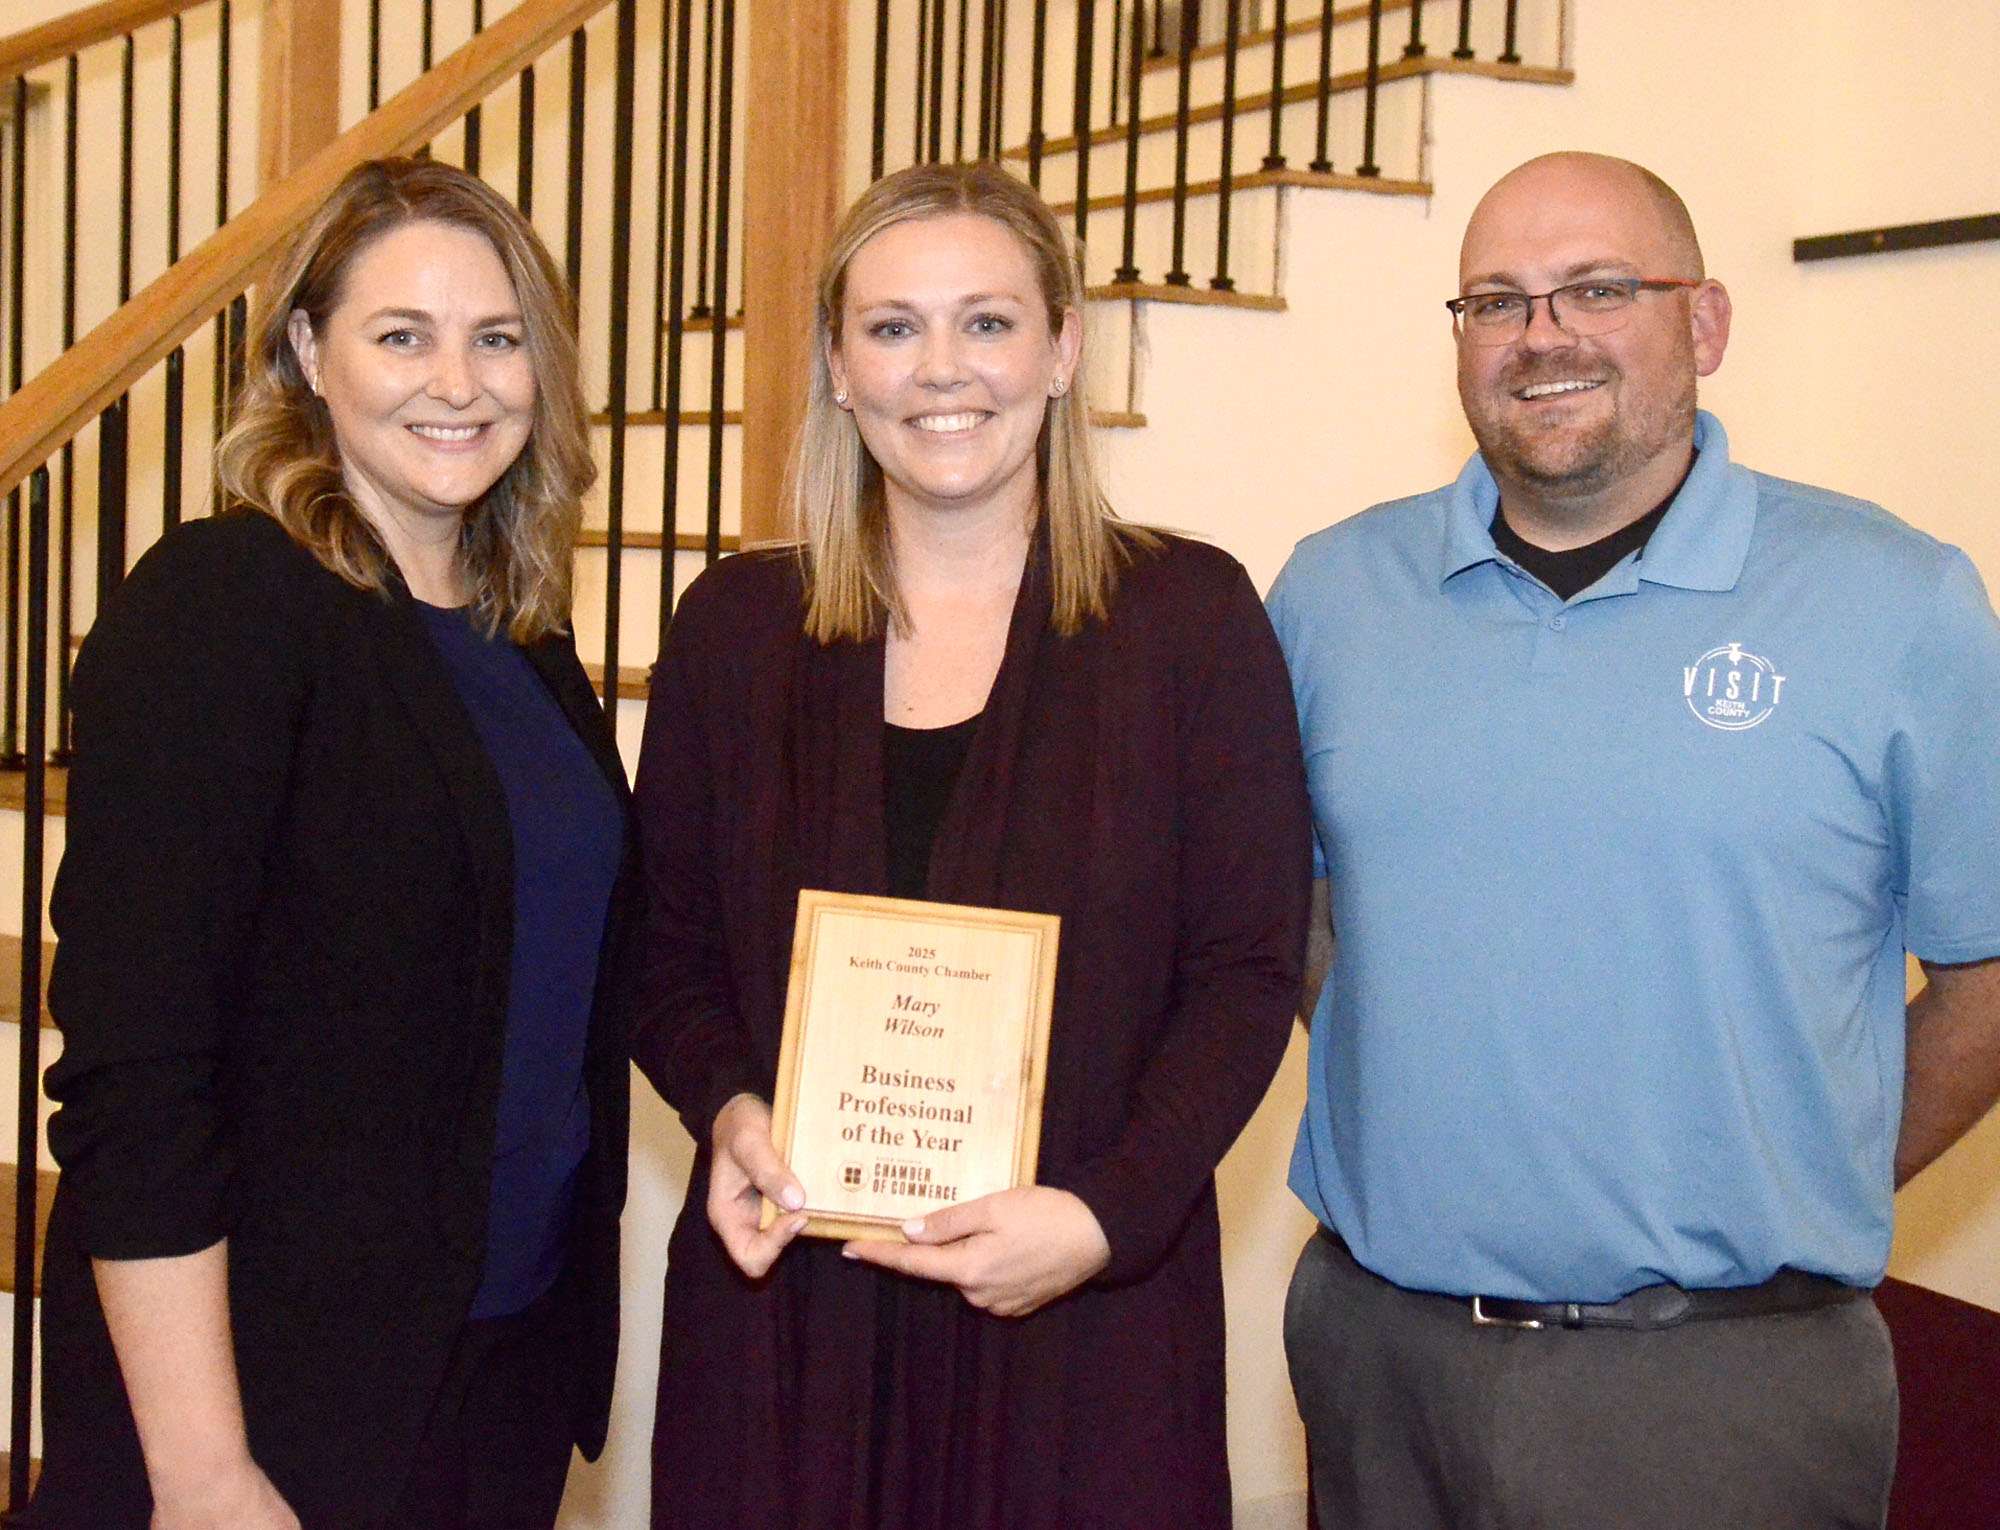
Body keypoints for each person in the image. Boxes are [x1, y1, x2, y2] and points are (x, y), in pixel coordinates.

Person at [1270, 149, 2000, 1529]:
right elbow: (1296, 911)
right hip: (1384, 1360)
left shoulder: (1898, 601)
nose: (1542, 336)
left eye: (1598, 288)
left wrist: (1810, 1158)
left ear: (1707, 322)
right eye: (1496, 301)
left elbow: (1991, 967)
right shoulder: (1331, 596)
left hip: (1722, 1386)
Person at [630, 159, 1311, 1528]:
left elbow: (1245, 967)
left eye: (988, 322)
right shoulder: (734, 627)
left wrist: (1109, 1213)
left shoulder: (1190, 617)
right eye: (891, 327)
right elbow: (661, 948)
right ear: (835, 363)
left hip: (1084, 1328)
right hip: (788, 1317)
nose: (942, 369)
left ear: (1063, 348)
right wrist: (731, 1107)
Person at [27, 157, 634, 1530]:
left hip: (499, 1365)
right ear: (307, 351)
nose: (458, 382)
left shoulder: (522, 635)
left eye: (496, 339)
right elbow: (140, 1076)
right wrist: (201, 1467)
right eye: (400, 335)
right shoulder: (221, 606)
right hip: (276, 1399)